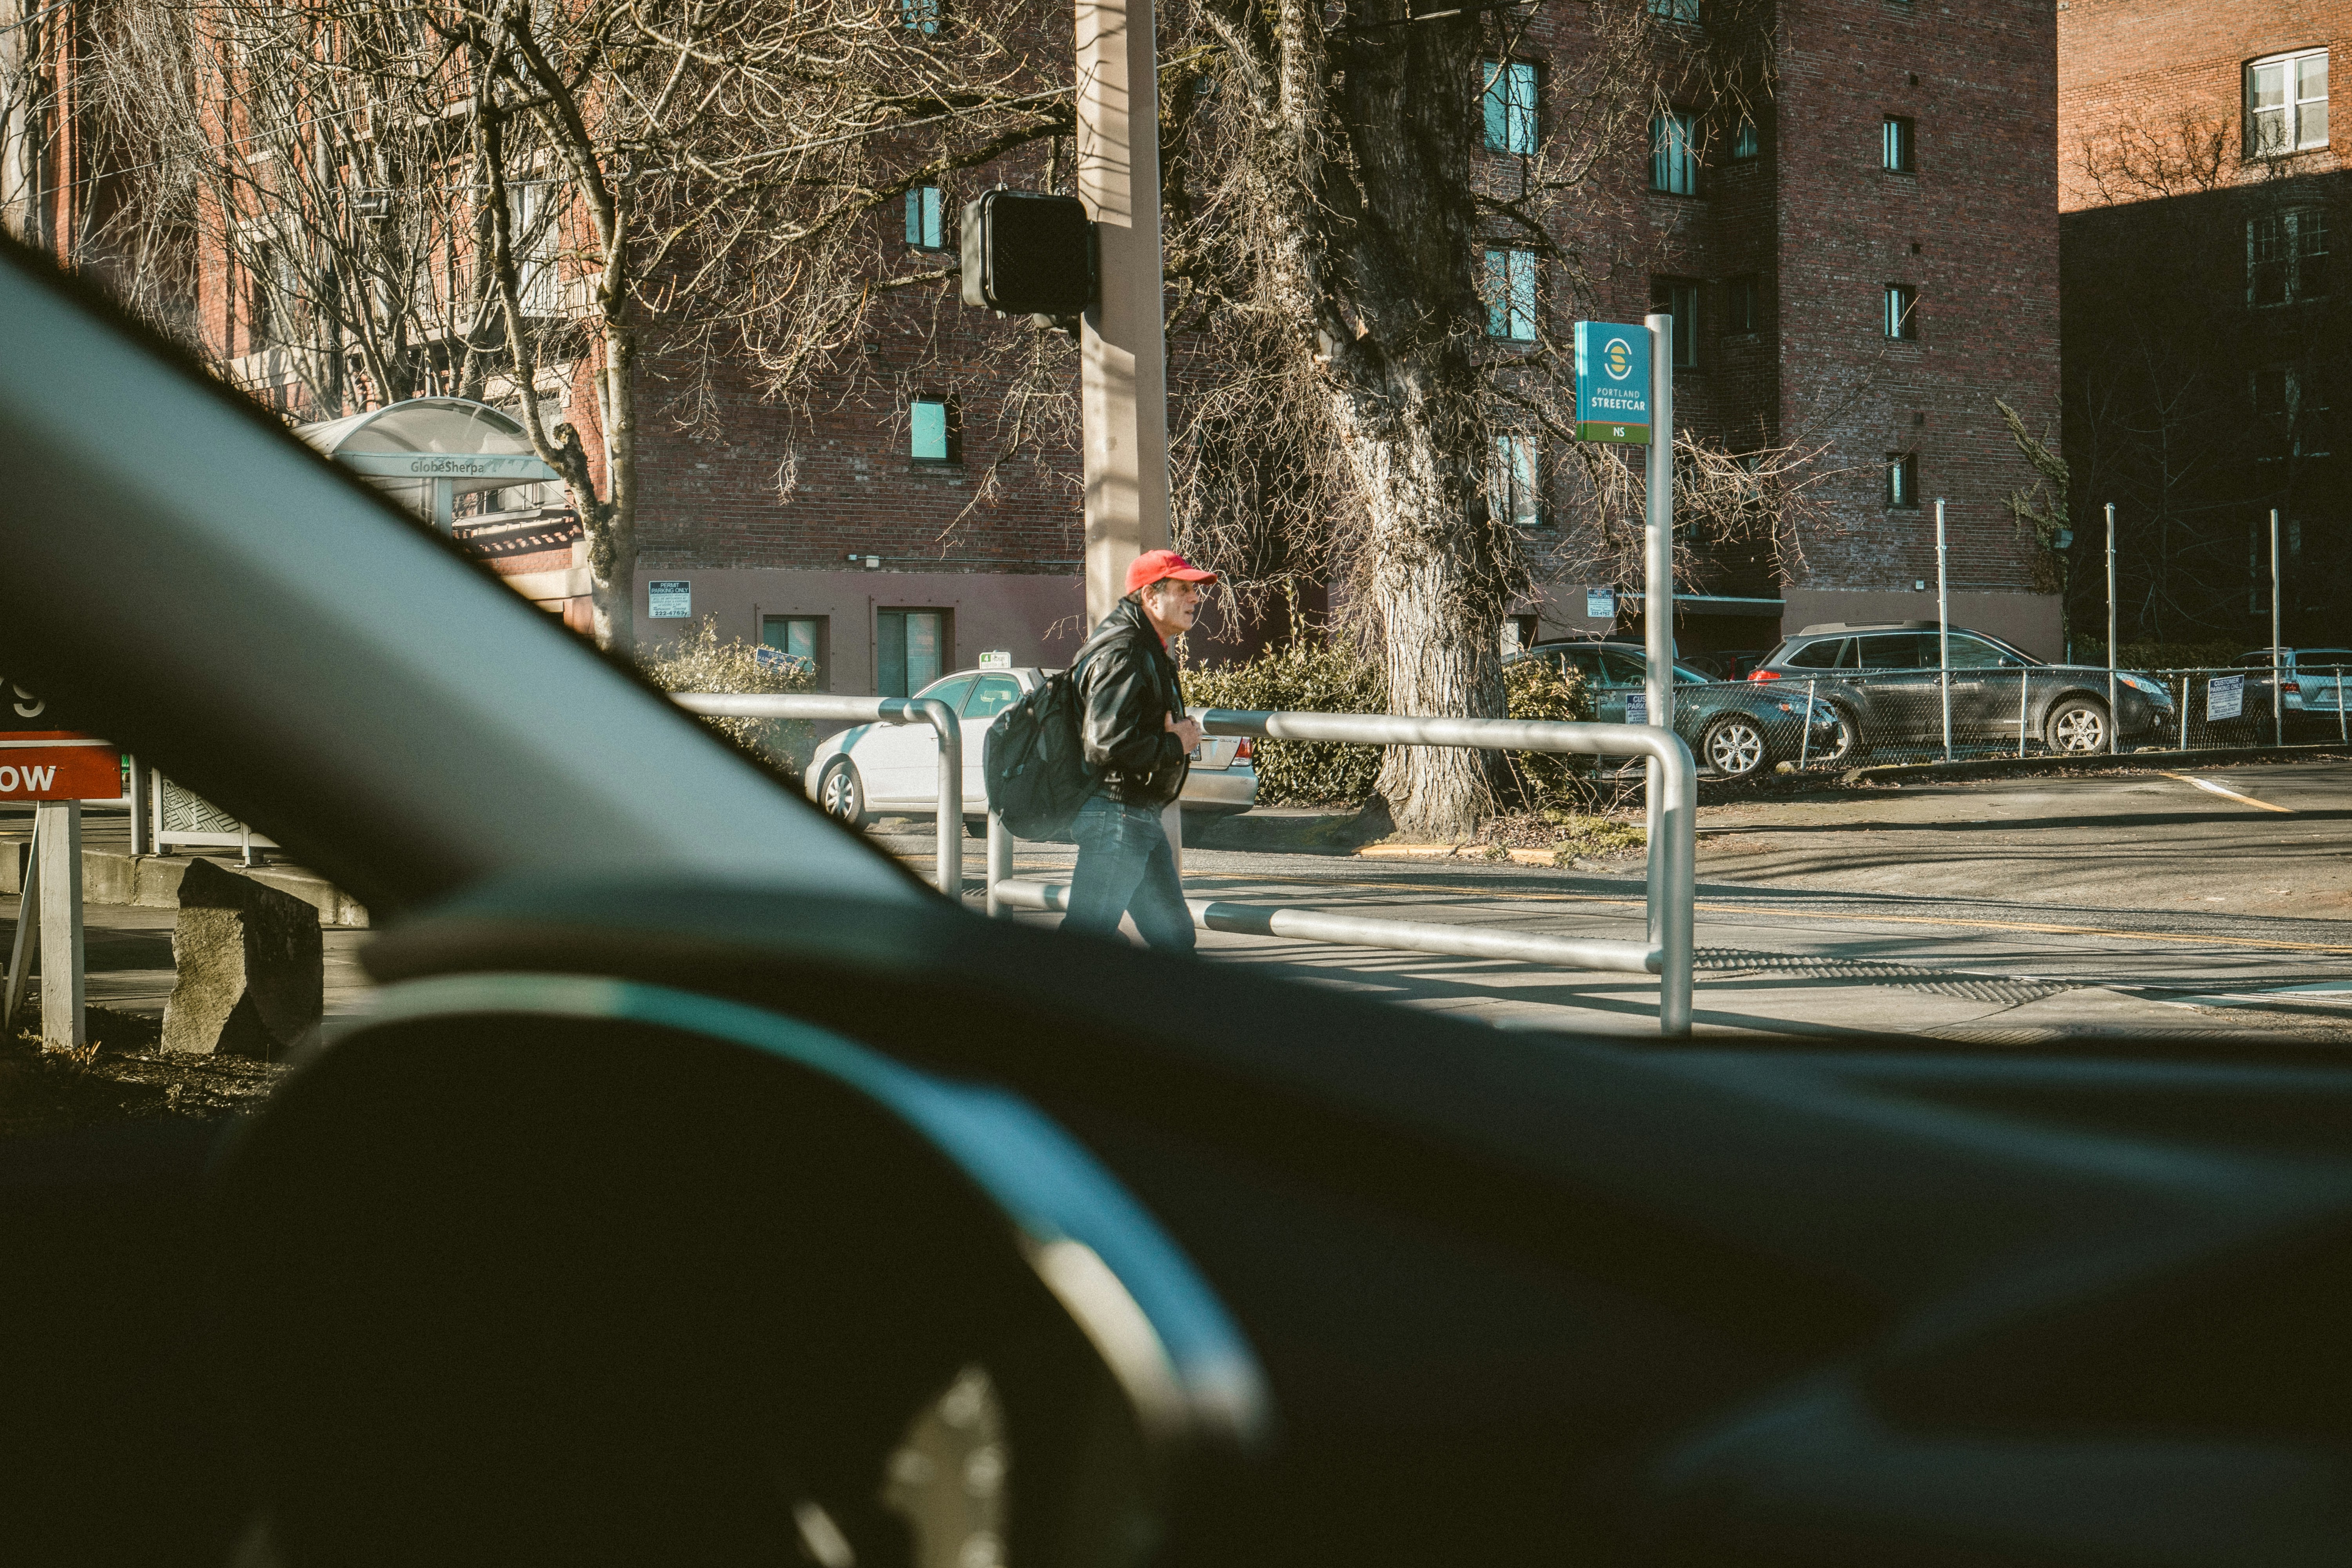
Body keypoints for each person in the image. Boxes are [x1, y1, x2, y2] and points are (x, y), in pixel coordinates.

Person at [1061, 548, 1216, 949]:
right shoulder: (1126, 651)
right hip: (1117, 818)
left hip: (1134, 816)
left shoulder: (1144, 644)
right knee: (1082, 945)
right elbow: (1105, 743)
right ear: (1150, 596)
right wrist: (1174, 743)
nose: (1195, 598)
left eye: (1194, 590)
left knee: (1175, 941)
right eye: (1183, 589)